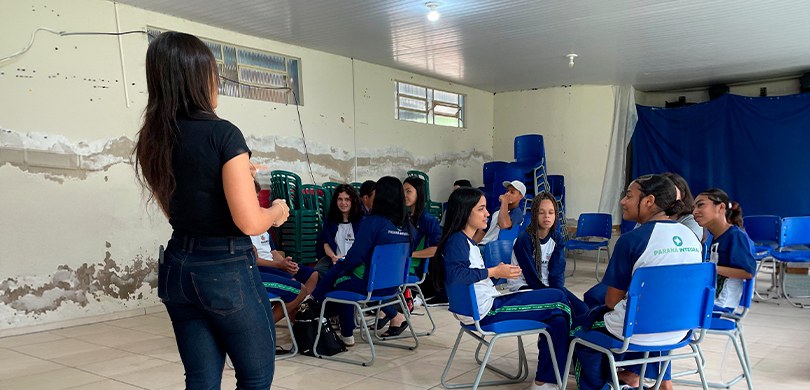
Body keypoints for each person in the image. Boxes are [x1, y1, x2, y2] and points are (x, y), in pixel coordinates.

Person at [133, 31, 289, 389]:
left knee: (202, 377)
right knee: (256, 376)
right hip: (225, 268)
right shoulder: (223, 134)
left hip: (178, 267)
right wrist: (276, 212)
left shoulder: (153, 139)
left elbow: (174, 206)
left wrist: (237, 176)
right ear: (200, 78)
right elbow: (249, 222)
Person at [572, 174, 703, 390]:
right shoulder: (691, 237)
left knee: (579, 330)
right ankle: (630, 378)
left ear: (649, 201)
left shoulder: (631, 240)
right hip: (681, 329)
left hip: (637, 330)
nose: (623, 201)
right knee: (646, 314)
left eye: (629, 196)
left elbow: (612, 302)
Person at [435, 187, 571, 390]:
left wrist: (497, 273)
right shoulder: (457, 241)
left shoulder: (465, 241)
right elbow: (456, 275)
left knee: (558, 319)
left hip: (488, 306)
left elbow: (468, 275)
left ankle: (545, 380)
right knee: (559, 298)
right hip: (487, 312)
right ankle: (581, 354)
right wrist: (494, 271)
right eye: (481, 209)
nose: (487, 213)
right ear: (465, 212)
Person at [310, 176, 414, 345]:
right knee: (341, 274)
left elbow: (355, 256)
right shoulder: (407, 226)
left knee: (340, 281)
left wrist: (344, 266)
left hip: (369, 285)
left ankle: (343, 331)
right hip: (394, 286)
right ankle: (316, 306)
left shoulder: (373, 222)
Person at [509, 191, 588, 317]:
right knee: (560, 316)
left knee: (582, 309)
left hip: (549, 287)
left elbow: (557, 274)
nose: (547, 216)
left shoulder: (557, 238)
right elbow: (531, 277)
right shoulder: (524, 239)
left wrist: (558, 292)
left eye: (551, 212)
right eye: (541, 212)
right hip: (525, 287)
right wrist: (553, 295)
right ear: (534, 214)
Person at [693, 188, 757, 311]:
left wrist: (710, 268)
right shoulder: (714, 237)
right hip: (710, 301)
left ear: (721, 207)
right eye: (693, 208)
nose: (694, 212)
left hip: (721, 305)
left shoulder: (735, 236)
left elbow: (748, 272)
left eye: (700, 205)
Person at [399, 177, 444, 307]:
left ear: (419, 193)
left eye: (408, 191)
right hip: (401, 263)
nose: (404, 195)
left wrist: (411, 254)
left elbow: (436, 249)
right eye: (403, 191)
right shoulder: (405, 217)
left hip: (414, 268)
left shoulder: (428, 220)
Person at [314, 184, 363, 277]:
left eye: (347, 199)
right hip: (334, 259)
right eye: (340, 199)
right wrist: (333, 257)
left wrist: (347, 258)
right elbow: (326, 243)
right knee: (317, 271)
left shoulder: (361, 222)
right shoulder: (330, 222)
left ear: (353, 201)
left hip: (354, 262)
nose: (343, 203)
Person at [475, 180, 526, 245]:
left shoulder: (517, 212)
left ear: (520, 197)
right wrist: (473, 244)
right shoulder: (497, 210)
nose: (507, 194)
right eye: (507, 191)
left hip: (495, 247)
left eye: (512, 192)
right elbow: (484, 231)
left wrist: (504, 201)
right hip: (482, 245)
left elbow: (504, 225)